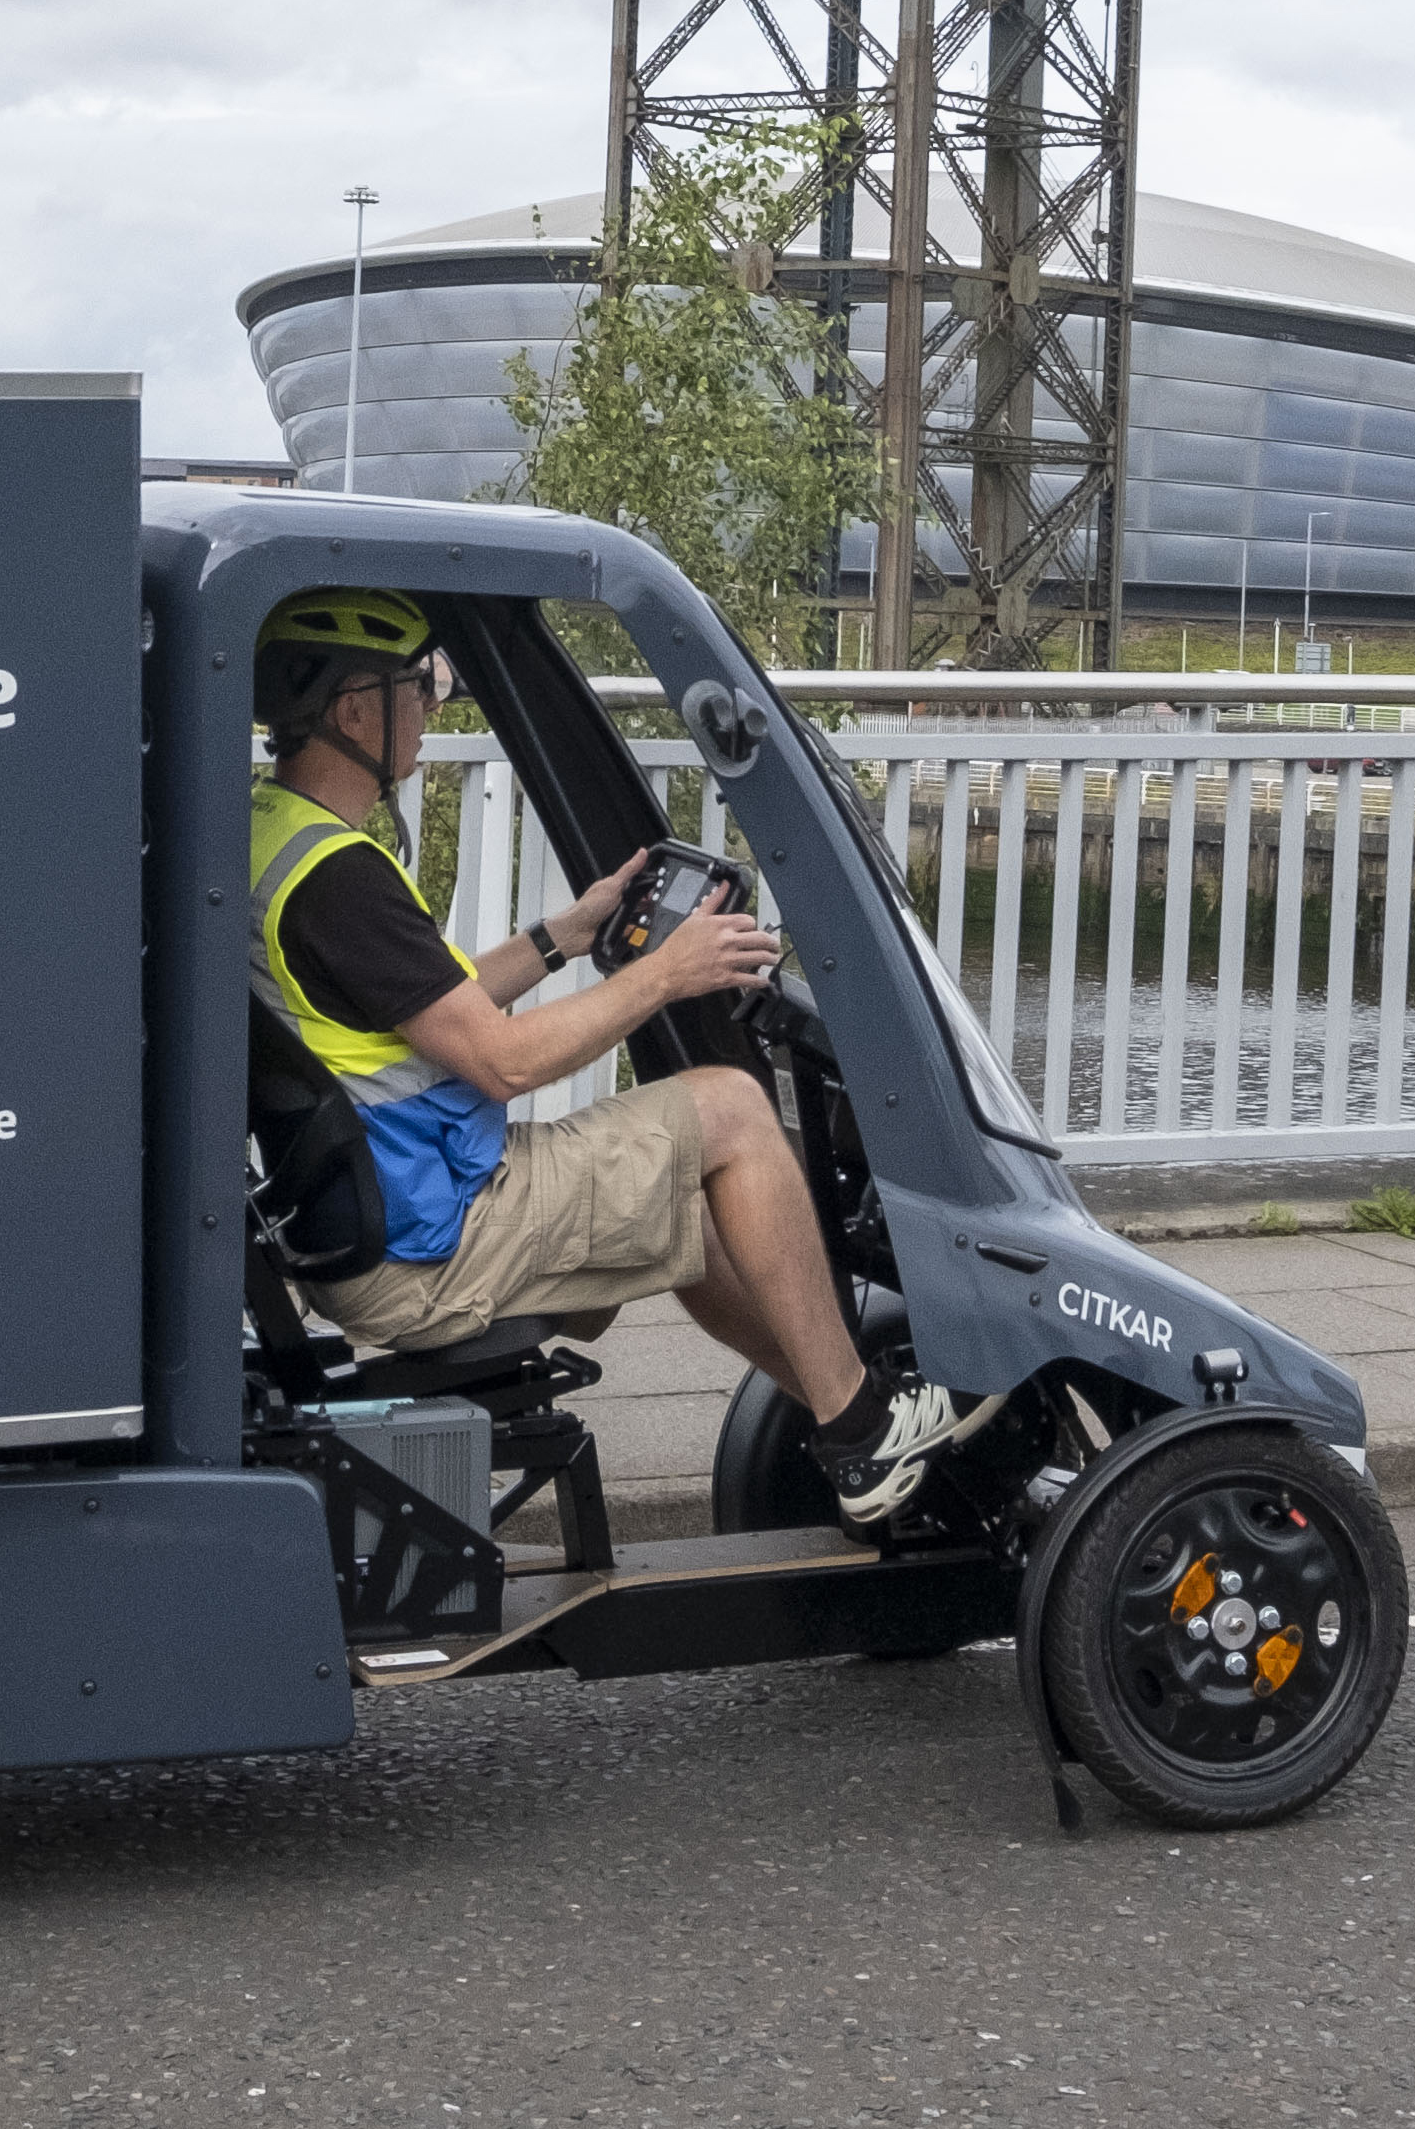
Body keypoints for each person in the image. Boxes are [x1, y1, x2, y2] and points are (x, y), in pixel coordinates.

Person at [246, 588, 992, 1524]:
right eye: (417, 686)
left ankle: (850, 1419)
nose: (432, 706)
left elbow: (420, 1008)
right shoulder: (342, 877)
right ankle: (858, 1433)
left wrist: (569, 932)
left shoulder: (275, 834)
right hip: (434, 1242)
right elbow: (503, 1063)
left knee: (697, 1190)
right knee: (725, 1107)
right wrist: (666, 973)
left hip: (372, 1221)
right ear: (353, 710)